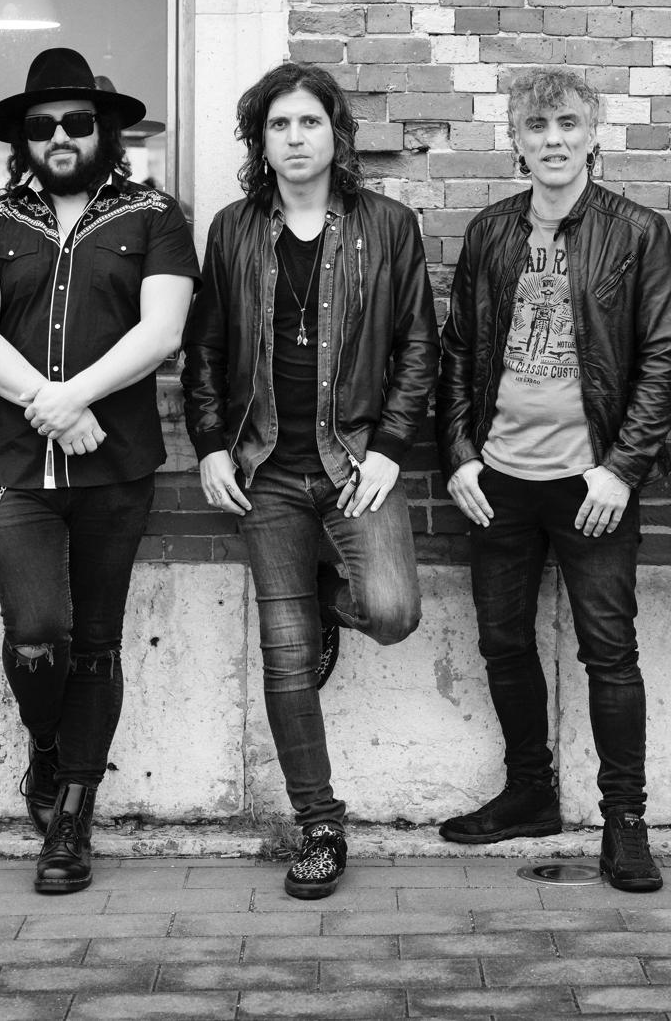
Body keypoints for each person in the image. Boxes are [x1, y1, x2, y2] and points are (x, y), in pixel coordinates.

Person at [181, 62, 439, 900]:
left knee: (392, 611)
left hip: (354, 460)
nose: (295, 139)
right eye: (279, 125)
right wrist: (210, 446)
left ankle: (328, 601)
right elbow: (205, 350)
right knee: (286, 657)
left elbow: (418, 347)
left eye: (309, 122)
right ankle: (320, 824)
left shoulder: (388, 226)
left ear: (336, 134)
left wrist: (391, 448)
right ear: (260, 142)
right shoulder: (232, 230)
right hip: (265, 468)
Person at [0, 48, 197, 894]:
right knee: (36, 632)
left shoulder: (155, 216)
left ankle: (72, 818)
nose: (60, 136)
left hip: (115, 468)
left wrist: (76, 396)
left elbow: (162, 331)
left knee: (96, 643)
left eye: (77, 122)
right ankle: (50, 746)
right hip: (19, 468)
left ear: (106, 131)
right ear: (23, 139)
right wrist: (49, 403)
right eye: (42, 125)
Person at [434, 68, 671, 893]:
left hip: (591, 485)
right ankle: (531, 792)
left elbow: (662, 359)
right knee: (502, 641)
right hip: (500, 480)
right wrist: (460, 455)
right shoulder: (491, 232)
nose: (552, 139)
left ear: (593, 133)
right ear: (515, 138)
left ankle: (626, 821)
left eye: (567, 123)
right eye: (536, 126)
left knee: (610, 653)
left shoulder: (636, 233)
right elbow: (458, 351)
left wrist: (622, 470)